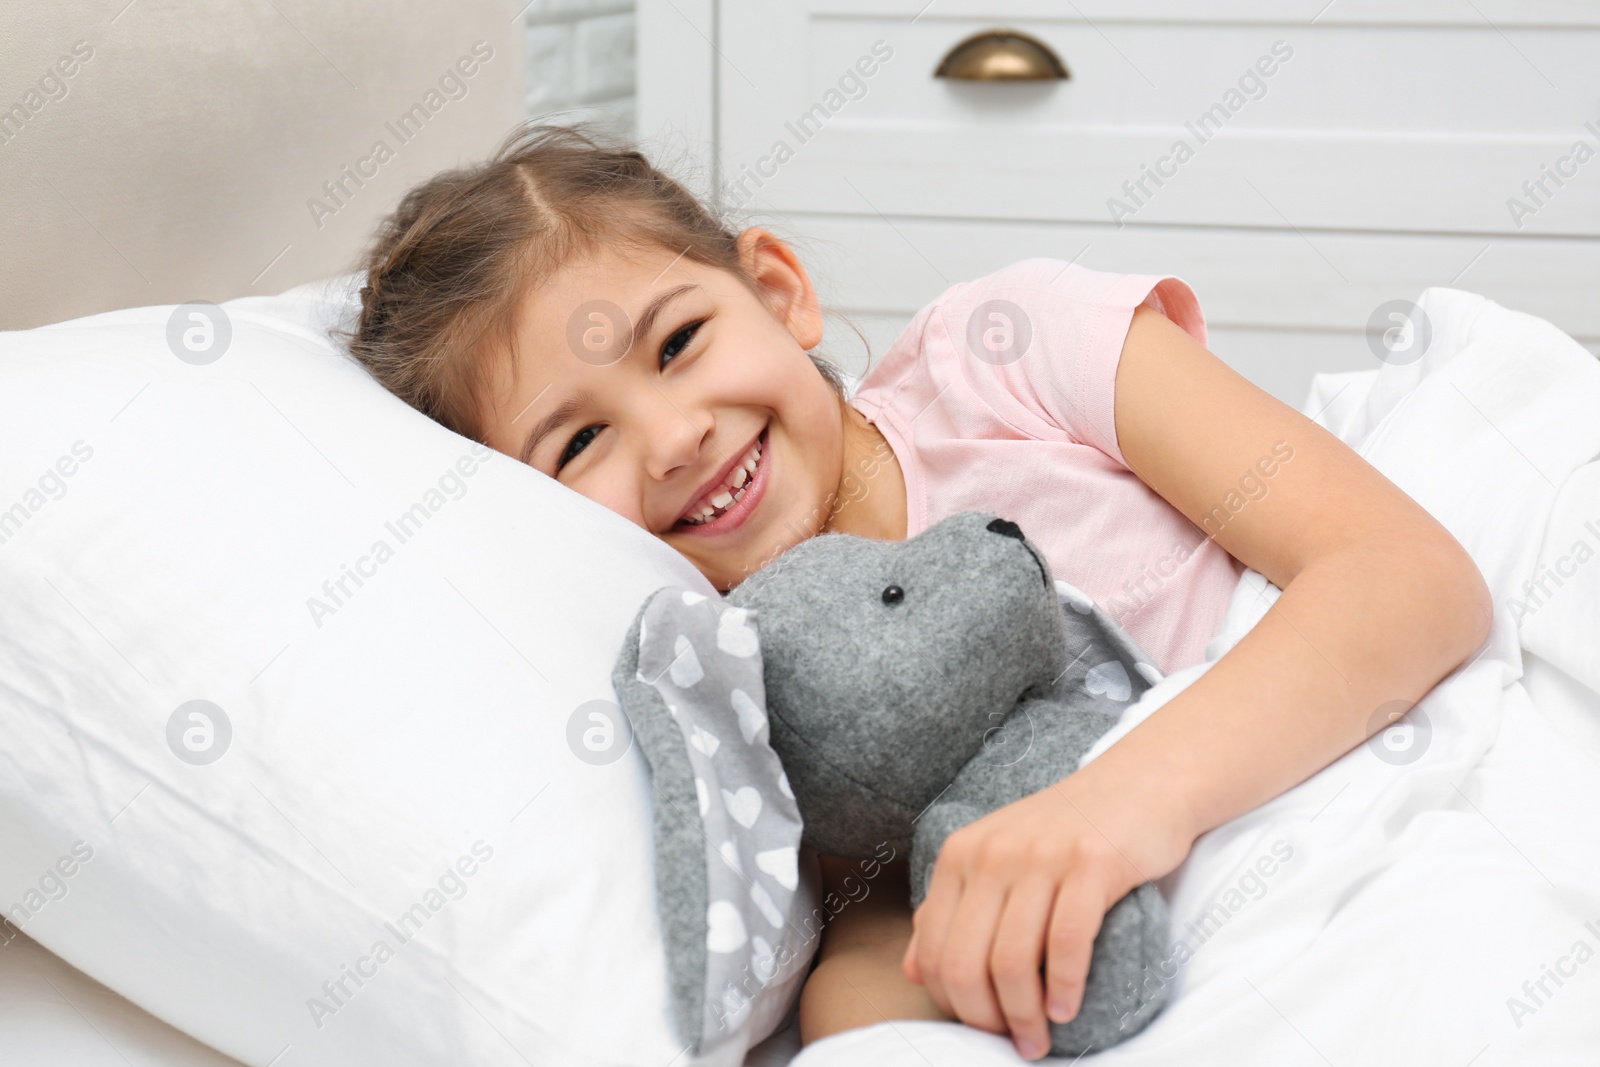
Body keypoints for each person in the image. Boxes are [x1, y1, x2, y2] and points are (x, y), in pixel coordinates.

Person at [347, 123, 1491, 1061]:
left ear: (778, 291)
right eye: (579, 438)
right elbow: (871, 923)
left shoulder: (1004, 356)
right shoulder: (742, 673)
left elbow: (1406, 574)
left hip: (1364, 750)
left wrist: (1117, 801)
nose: (673, 437)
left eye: (680, 341)